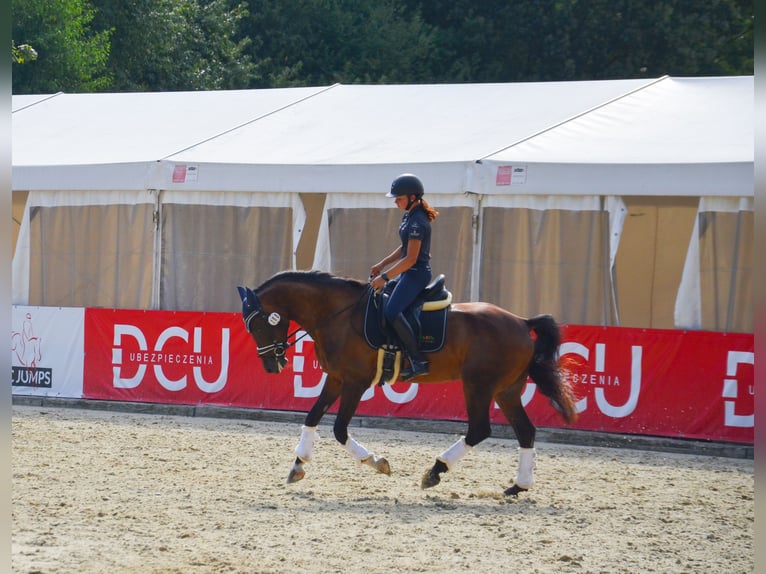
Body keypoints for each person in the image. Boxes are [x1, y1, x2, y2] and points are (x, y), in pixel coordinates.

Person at [370, 173, 439, 380]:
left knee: (392, 311)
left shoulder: (418, 221)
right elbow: (403, 248)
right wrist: (382, 263)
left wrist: (385, 276)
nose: (395, 202)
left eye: (399, 198)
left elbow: (410, 259)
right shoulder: (409, 215)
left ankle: (418, 360)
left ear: (412, 197)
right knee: (381, 301)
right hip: (409, 272)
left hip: (416, 274)